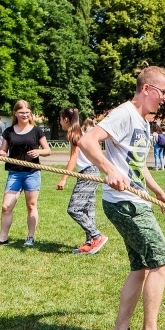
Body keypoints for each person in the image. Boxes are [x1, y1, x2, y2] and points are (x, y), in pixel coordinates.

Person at [77, 65, 165, 330]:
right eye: (162, 92)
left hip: (136, 200)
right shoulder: (124, 113)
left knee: (142, 268)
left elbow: (138, 165)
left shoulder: (143, 123)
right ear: (146, 88)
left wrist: (158, 191)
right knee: (164, 261)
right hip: (125, 203)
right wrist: (109, 171)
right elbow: (87, 141)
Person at [0, 100, 51, 248]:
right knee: (6, 207)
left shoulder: (36, 130)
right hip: (14, 173)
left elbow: (47, 150)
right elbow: (3, 150)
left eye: (27, 112)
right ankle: (3, 238)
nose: (25, 114)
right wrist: (2, 153)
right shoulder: (9, 131)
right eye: (21, 112)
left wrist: (39, 151)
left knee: (31, 205)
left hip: (32, 173)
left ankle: (30, 237)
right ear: (15, 113)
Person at [57, 108, 108, 255]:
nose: (60, 123)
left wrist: (64, 178)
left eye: (60, 119)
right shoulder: (81, 132)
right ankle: (90, 243)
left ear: (66, 119)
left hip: (87, 173)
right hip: (91, 172)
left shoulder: (74, 133)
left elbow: (74, 157)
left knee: (74, 209)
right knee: (87, 209)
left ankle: (97, 236)